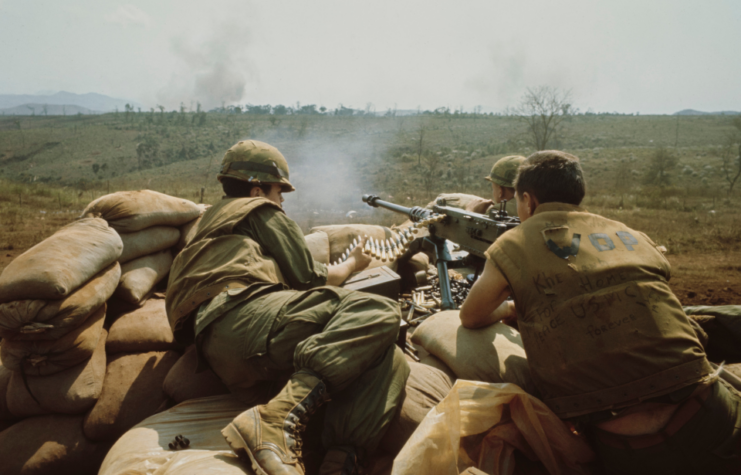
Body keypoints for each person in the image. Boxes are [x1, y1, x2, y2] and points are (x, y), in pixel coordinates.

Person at [459, 150, 741, 474]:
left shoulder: (512, 244)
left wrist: (512, 307)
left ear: (528, 200)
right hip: (710, 410)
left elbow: (472, 316)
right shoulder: (629, 233)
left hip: (630, 450)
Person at [166, 140, 409, 475]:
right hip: (245, 319)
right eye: (279, 191)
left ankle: (340, 462)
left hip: (229, 351)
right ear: (256, 190)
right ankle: (275, 420)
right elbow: (310, 278)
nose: (281, 200)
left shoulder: (208, 226)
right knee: (380, 312)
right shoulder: (256, 210)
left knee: (386, 354)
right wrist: (353, 263)